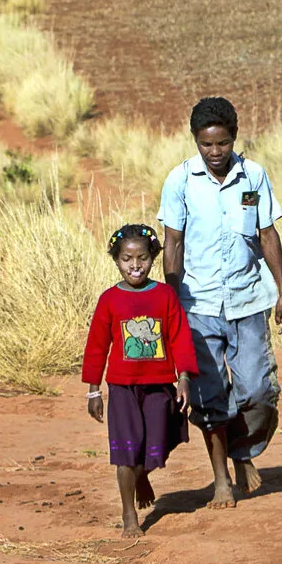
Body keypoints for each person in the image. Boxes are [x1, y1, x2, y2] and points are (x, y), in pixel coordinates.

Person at [159, 96, 282, 509]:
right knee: (210, 396)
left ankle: (242, 452)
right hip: (196, 304)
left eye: (222, 143)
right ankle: (222, 479)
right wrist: (171, 303)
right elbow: (173, 243)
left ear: (234, 136)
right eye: (206, 144)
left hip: (248, 298)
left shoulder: (252, 177)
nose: (215, 153)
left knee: (258, 390)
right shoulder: (180, 182)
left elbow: (267, 234)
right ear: (195, 141)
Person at [82, 222, 196, 537]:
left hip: (160, 385)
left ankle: (143, 474)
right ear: (116, 260)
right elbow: (96, 346)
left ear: (153, 257)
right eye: (127, 259)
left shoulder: (165, 295)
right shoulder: (109, 299)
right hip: (122, 387)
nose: (135, 266)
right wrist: (94, 391)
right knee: (125, 452)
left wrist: (184, 377)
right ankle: (129, 514)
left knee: (158, 446)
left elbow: (179, 338)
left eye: (142, 258)